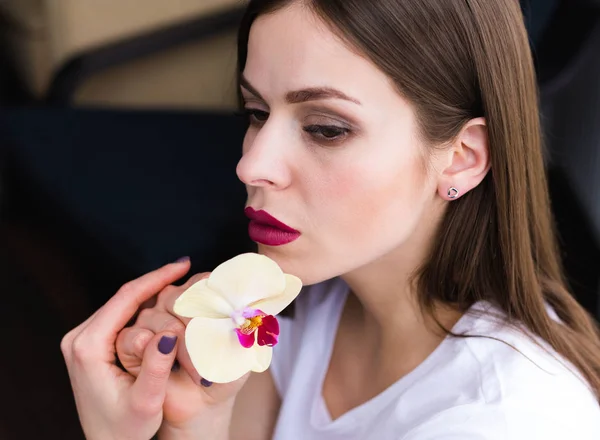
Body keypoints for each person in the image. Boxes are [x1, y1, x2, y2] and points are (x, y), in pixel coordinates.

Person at [61, 0, 600, 439]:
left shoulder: (509, 421)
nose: (251, 164)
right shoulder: (316, 307)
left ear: (461, 157)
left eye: (325, 128)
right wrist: (193, 417)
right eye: (257, 113)